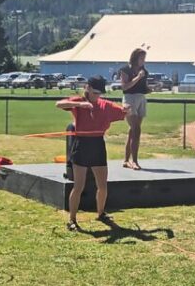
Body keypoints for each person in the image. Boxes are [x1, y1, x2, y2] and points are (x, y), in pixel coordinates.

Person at [56, 76, 129, 231]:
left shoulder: (105, 105)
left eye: (100, 93)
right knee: (78, 186)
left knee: (102, 185)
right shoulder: (79, 101)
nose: (97, 96)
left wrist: (127, 109)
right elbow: (59, 104)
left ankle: (101, 213)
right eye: (95, 92)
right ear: (87, 88)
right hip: (81, 145)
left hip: (97, 145)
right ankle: (72, 220)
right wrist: (79, 104)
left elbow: (123, 112)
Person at [119, 48, 150, 170]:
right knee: (136, 130)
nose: (143, 61)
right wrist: (137, 77)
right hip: (129, 99)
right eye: (141, 58)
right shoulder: (125, 69)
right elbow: (125, 87)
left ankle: (126, 160)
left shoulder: (144, 71)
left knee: (133, 131)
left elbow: (143, 87)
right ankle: (134, 161)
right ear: (135, 58)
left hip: (141, 99)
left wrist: (152, 88)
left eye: (144, 58)